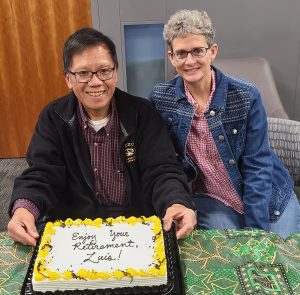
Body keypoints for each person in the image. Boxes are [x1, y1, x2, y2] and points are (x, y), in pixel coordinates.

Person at [7, 27, 196, 246]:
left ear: (115, 72)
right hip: (77, 225)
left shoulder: (142, 113)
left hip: (135, 224)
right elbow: (42, 173)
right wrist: (24, 208)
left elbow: (162, 169)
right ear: (68, 78)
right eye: (83, 73)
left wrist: (175, 202)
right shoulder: (54, 117)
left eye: (104, 71)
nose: (95, 82)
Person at [148, 9, 300, 238]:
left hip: (266, 195)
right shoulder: (160, 99)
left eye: (198, 51)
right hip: (212, 199)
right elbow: (163, 162)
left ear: (212, 51)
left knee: (276, 256)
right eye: (181, 54)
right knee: (230, 260)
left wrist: (256, 234)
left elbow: (257, 165)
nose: (190, 61)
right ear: (171, 57)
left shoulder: (246, 96)